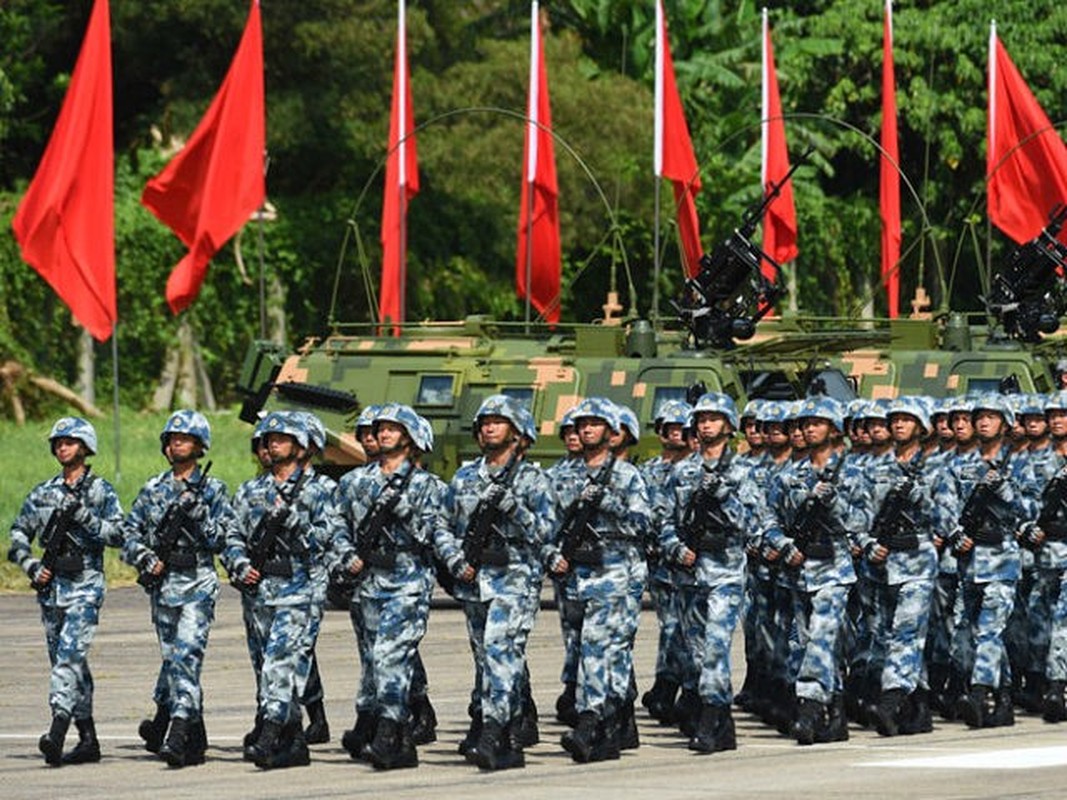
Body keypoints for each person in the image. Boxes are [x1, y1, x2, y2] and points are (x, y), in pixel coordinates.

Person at [332, 403, 469, 770]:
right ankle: (389, 731)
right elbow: (336, 527)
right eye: (381, 429)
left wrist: (406, 509)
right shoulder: (354, 482)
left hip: (408, 581)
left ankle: (392, 732)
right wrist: (346, 557)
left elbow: (438, 533)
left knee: (393, 655)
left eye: (394, 429)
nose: (384, 434)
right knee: (374, 661)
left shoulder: (428, 487)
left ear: (409, 438)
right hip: (367, 583)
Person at [446, 395, 557, 770]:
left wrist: (515, 508)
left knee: (500, 652)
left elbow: (547, 533)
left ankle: (494, 732)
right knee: (485, 658)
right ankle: (506, 731)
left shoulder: (534, 479)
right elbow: (443, 526)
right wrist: (453, 558)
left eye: (498, 421)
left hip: (515, 579)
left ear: (517, 431)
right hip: (474, 580)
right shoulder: (464, 477)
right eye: (485, 422)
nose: (489, 427)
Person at [226, 411, 341, 769]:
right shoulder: (251, 490)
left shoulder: (322, 491)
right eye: (268, 438)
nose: (272, 442)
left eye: (281, 437)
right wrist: (239, 564)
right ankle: (293, 741)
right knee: (266, 667)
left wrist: (299, 526)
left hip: (299, 589)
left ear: (301, 445)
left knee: (280, 662)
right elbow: (232, 535)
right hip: (258, 591)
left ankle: (270, 732)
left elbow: (333, 538)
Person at [122, 410, 235, 767]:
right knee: (173, 661)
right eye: (171, 438)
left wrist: (200, 514)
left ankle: (178, 730)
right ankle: (196, 738)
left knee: (187, 655)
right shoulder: (153, 489)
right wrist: (144, 557)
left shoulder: (213, 491)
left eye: (184, 438)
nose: (176, 444)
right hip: (164, 584)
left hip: (198, 582)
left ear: (200, 446)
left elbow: (224, 538)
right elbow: (128, 533)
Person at [7, 417, 123, 766]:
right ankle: (88, 738)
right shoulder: (43, 492)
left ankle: (57, 729)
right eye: (58, 442)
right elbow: (17, 535)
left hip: (86, 585)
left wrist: (85, 517)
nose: (62, 447)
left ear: (85, 447)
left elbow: (118, 535)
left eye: (69, 442)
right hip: (51, 587)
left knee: (70, 656)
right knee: (68, 663)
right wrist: (31, 565)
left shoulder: (101, 491)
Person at [547, 397, 651, 763]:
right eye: (582, 424)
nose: (586, 429)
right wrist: (551, 554)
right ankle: (615, 720)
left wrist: (608, 502)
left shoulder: (626, 476)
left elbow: (642, 524)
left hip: (616, 574)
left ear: (610, 432)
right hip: (576, 576)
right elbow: (547, 526)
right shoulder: (561, 476)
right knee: (607, 652)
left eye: (595, 423)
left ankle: (589, 721)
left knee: (596, 646)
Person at [657, 393, 763, 753]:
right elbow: (664, 521)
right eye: (701, 419)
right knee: (697, 652)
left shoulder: (744, 472)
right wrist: (675, 548)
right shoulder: (683, 471)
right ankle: (721, 721)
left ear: (729, 426)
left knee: (717, 647)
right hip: (689, 571)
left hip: (726, 570)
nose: (705, 424)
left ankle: (713, 716)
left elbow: (753, 522)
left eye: (714, 418)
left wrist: (724, 497)